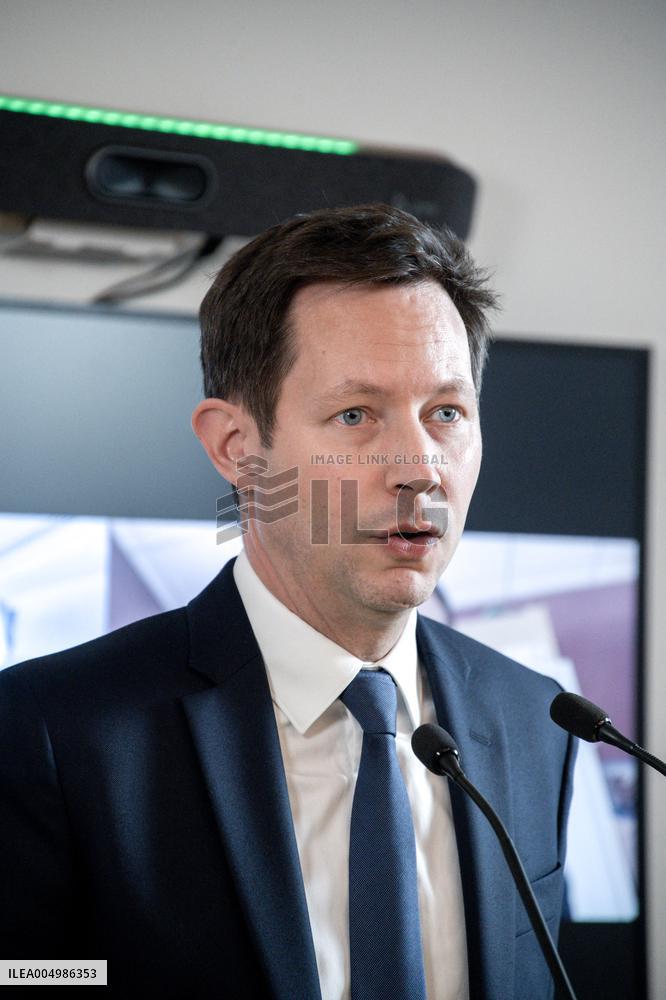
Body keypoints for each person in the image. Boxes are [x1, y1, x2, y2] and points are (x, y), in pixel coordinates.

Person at [0, 204, 576, 999]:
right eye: (355, 414)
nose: (419, 469)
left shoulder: (538, 721)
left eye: (446, 413)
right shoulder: (50, 731)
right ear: (237, 448)